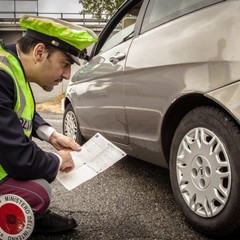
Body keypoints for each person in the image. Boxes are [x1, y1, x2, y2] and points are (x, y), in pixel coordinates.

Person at [0, 15, 98, 235]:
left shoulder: (11, 65)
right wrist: (57, 159)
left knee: (39, 179)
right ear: (39, 52)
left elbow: (15, 112)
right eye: (64, 64)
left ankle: (29, 213)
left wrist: (52, 135)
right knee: (39, 192)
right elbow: (20, 160)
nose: (67, 75)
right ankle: (22, 213)